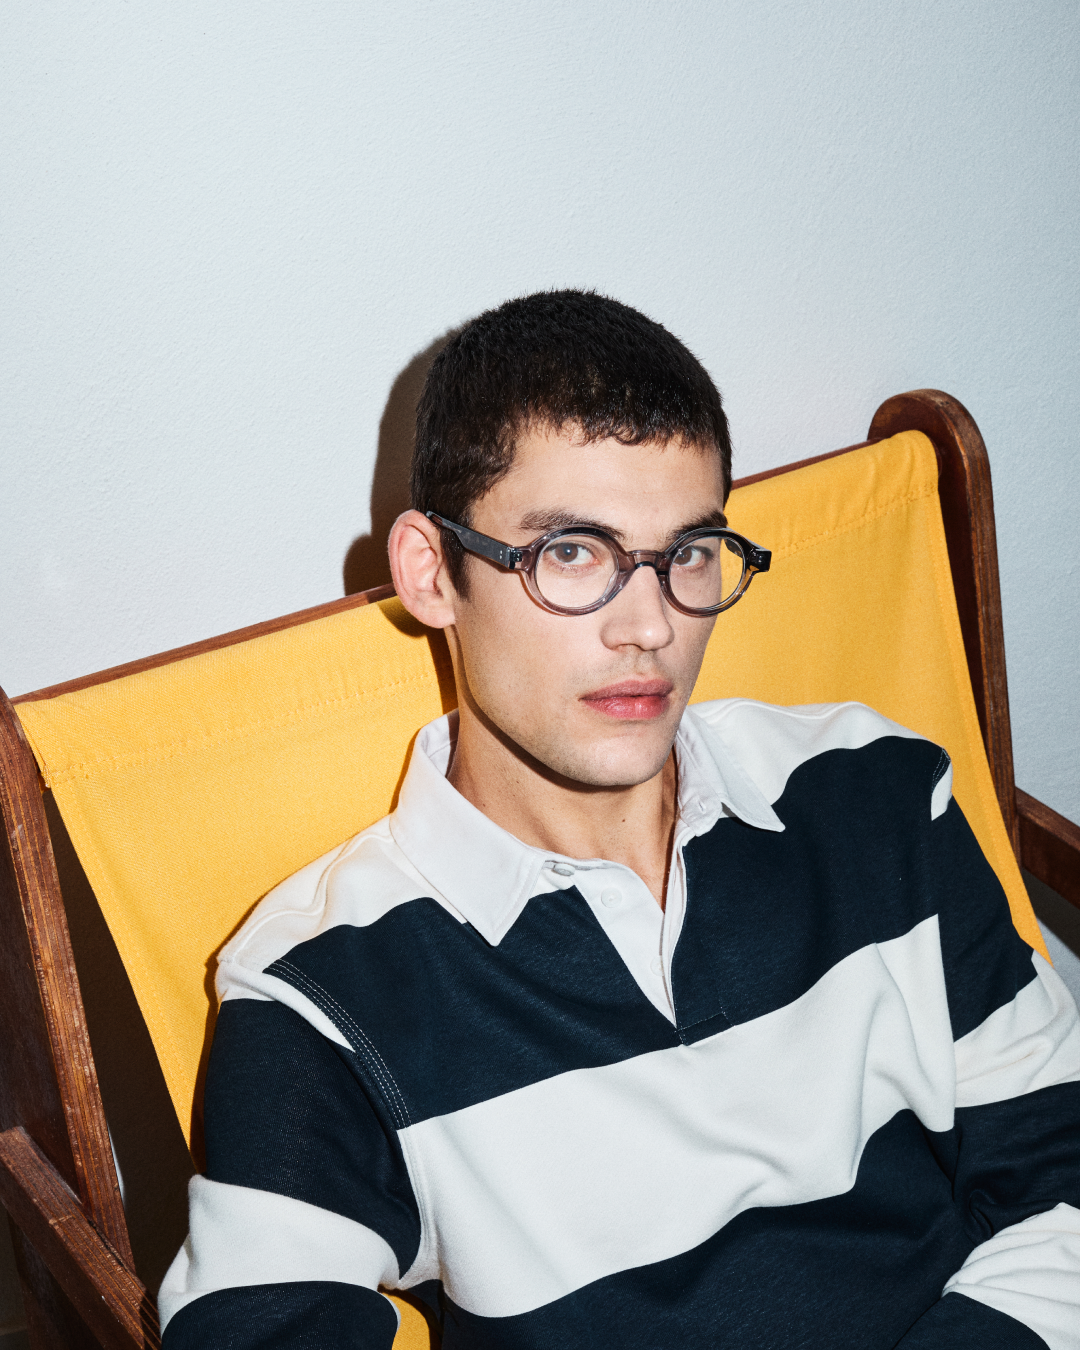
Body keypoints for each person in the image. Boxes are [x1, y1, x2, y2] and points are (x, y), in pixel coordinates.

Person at [159, 290, 1080, 1349]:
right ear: (431, 573)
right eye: (571, 552)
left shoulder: (872, 791)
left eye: (689, 552)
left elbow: (1060, 1179)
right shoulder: (322, 991)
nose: (649, 627)